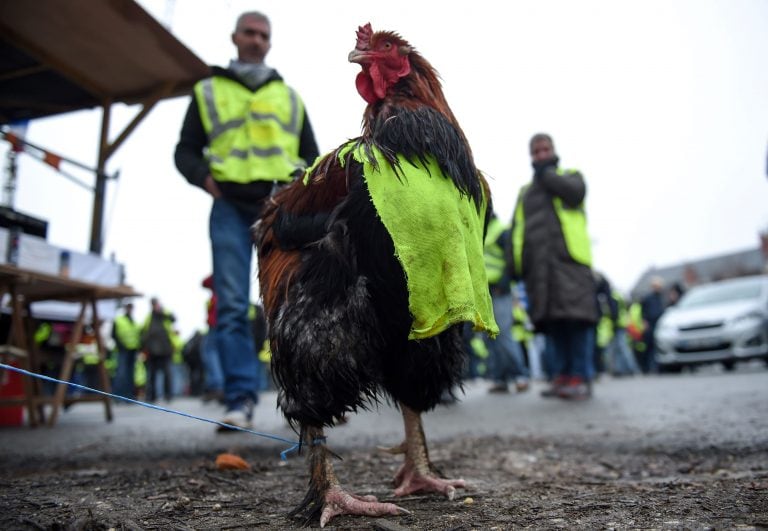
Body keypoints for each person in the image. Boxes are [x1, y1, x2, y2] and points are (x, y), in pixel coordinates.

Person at [174, 11, 320, 429]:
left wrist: (300, 194)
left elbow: (311, 155)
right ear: (235, 37)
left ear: (270, 43)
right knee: (233, 305)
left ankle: (311, 396)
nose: (257, 40)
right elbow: (184, 150)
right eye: (250, 33)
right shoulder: (207, 91)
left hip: (280, 211)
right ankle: (239, 399)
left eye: (264, 35)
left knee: (296, 301)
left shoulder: (289, 97)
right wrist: (204, 179)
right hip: (229, 209)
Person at [510, 133, 598, 400]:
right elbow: (518, 231)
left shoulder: (571, 176)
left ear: (553, 150)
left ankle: (580, 377)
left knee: (577, 321)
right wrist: (516, 267)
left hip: (570, 264)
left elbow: (575, 194)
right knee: (553, 324)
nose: (541, 156)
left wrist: (547, 175)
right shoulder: (526, 193)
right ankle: (560, 377)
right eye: (536, 152)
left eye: (545, 150)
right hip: (540, 271)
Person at [483, 212, 529, 393]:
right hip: (484, 292)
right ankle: (500, 379)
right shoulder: (480, 230)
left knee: (503, 334)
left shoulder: (501, 231)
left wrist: (504, 282)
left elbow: (511, 261)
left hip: (499, 291)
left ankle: (520, 375)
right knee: (491, 337)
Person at [141, 297, 176, 403]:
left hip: (165, 348)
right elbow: (144, 331)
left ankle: (168, 395)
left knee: (167, 372)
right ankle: (152, 395)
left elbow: (173, 318)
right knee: (152, 373)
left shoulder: (165, 313)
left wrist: (162, 311)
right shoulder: (148, 316)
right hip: (152, 350)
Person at [111, 302, 141, 400]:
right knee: (121, 373)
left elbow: (137, 336)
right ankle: (118, 396)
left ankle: (129, 395)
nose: (130, 309)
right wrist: (121, 346)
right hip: (122, 350)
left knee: (130, 374)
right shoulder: (119, 320)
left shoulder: (134, 322)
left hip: (132, 351)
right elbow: (114, 335)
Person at [640, 276, 666, 374]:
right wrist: (644, 322)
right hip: (650, 325)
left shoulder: (661, 298)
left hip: (659, 325)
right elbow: (643, 312)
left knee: (658, 347)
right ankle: (647, 368)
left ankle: (658, 367)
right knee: (649, 347)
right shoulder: (647, 298)